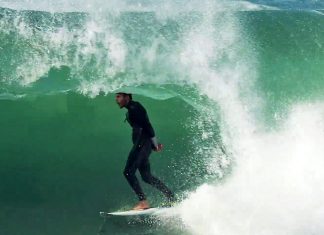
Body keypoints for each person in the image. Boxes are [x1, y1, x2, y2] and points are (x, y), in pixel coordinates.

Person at [115, 92, 175, 210]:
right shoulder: (130, 109)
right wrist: (151, 145)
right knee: (146, 176)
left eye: (118, 96)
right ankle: (171, 196)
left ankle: (143, 202)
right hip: (143, 145)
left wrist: (155, 143)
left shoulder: (135, 107)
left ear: (127, 97)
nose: (116, 99)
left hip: (142, 145)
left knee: (128, 172)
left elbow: (147, 125)